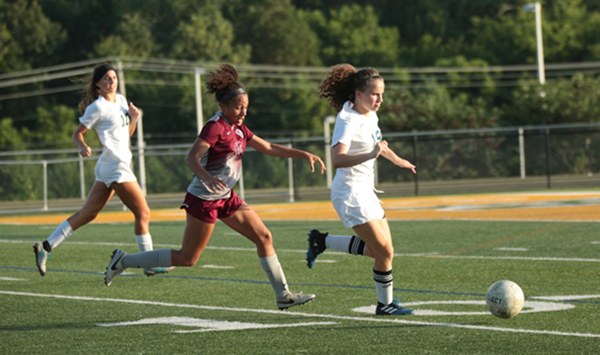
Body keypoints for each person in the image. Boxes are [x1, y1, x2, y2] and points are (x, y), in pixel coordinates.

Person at [104, 63, 326, 310]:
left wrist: (303, 154)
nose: (243, 112)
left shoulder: (238, 127)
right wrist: (207, 178)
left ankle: (283, 295)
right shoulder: (216, 127)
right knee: (187, 258)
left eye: (246, 107)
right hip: (204, 200)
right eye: (238, 107)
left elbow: (269, 148)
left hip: (226, 197)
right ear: (223, 106)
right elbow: (191, 158)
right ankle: (123, 261)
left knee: (264, 237)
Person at [32, 63, 172, 277]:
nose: (111, 81)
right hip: (116, 167)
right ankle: (149, 262)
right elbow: (77, 134)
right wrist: (83, 146)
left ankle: (46, 246)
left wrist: (134, 118)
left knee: (87, 214)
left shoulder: (122, 101)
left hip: (112, 165)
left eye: (113, 78)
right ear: (97, 84)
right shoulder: (97, 107)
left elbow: (127, 135)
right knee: (143, 212)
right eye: (106, 78)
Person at [306, 64, 417, 316]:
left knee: (381, 251)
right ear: (358, 93)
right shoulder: (347, 120)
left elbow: (379, 146)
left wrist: (399, 160)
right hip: (350, 193)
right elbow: (338, 159)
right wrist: (371, 153)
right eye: (374, 94)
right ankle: (384, 305)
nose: (380, 100)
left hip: (366, 191)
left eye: (382, 94)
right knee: (384, 251)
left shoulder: (369, 114)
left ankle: (321, 240)